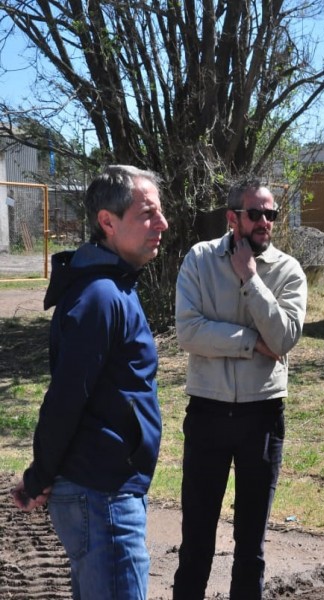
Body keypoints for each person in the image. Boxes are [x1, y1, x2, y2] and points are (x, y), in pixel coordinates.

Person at [11, 165, 169, 599]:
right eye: (148, 214)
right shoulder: (100, 296)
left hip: (104, 494)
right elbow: (65, 397)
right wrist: (41, 474)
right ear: (107, 221)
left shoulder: (113, 287)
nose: (163, 224)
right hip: (102, 499)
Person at [172, 177, 307, 600]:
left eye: (271, 214)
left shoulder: (287, 271)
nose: (265, 221)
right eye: (256, 213)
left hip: (261, 416)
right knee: (196, 539)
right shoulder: (198, 260)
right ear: (233, 218)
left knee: (251, 544)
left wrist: (250, 278)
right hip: (208, 412)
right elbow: (188, 332)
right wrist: (250, 343)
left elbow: (284, 338)